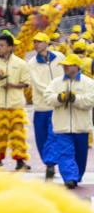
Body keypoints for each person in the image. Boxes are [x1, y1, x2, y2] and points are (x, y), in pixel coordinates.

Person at [38, 53, 94, 189]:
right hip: (61, 127)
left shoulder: (88, 83)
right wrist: (60, 98)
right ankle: (69, 178)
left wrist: (75, 99)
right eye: (64, 66)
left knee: (80, 157)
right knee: (65, 153)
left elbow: (90, 101)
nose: (65, 68)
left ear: (76, 66)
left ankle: (76, 176)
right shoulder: (56, 83)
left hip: (81, 127)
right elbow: (47, 97)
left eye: (68, 66)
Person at [0, 33, 31, 171]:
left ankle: (20, 161)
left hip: (15, 105)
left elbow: (26, 83)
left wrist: (12, 85)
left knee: (18, 135)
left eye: (2, 45)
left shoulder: (21, 63)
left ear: (10, 47)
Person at [28, 33, 63, 179]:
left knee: (52, 136)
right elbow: (37, 83)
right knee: (41, 137)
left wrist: (60, 94)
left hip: (57, 107)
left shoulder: (59, 57)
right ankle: (48, 161)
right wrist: (53, 93)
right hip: (41, 106)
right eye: (34, 42)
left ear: (46, 43)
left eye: (39, 42)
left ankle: (50, 163)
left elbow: (64, 75)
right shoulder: (32, 63)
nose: (36, 44)